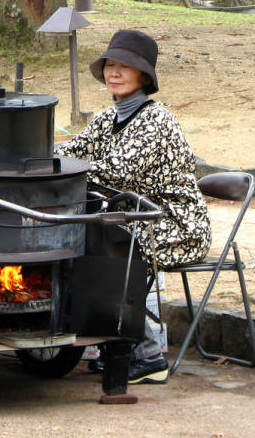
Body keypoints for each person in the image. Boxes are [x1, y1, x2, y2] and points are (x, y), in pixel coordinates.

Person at [56, 29, 212, 384]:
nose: (114, 72)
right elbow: (73, 150)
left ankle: (149, 356)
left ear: (144, 76)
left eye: (124, 66)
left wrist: (66, 167)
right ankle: (110, 342)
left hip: (174, 223)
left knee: (113, 248)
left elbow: (117, 172)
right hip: (135, 218)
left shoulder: (156, 119)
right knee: (88, 236)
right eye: (110, 64)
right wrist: (39, 156)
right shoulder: (107, 118)